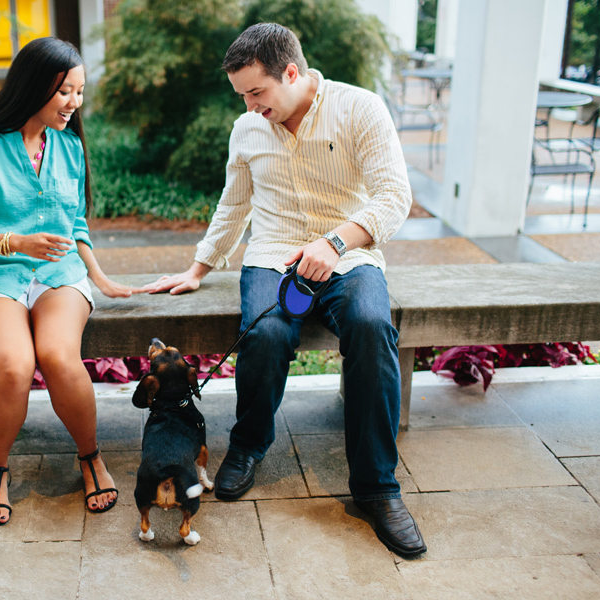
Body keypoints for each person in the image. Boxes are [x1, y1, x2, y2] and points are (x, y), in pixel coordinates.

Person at [143, 23, 426, 557]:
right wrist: (199, 268)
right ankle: (248, 447)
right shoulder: (247, 129)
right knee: (267, 333)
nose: (250, 107)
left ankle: (376, 488)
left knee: (370, 327)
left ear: (291, 73)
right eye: (242, 95)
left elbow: (393, 197)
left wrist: (336, 242)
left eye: (256, 92)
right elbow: (234, 204)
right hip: (273, 255)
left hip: (350, 255)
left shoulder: (360, 109)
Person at [0, 37, 139, 526]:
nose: (75, 103)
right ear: (33, 87)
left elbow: (76, 224)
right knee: (12, 364)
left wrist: (99, 275)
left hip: (59, 275)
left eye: (80, 91)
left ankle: (90, 456)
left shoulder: (68, 146)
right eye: (66, 91)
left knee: (60, 356)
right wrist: (15, 243)